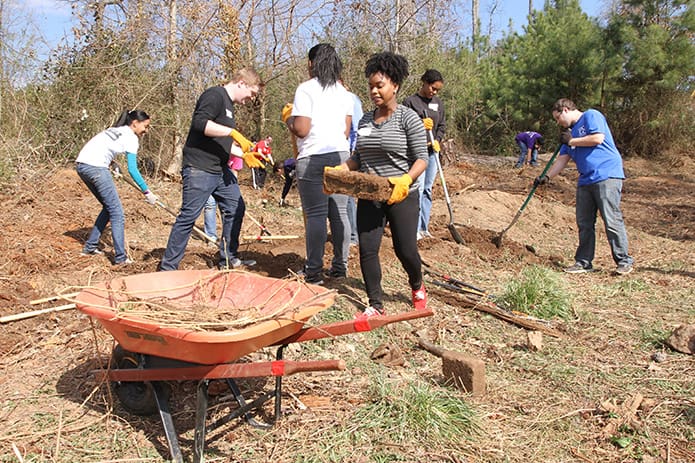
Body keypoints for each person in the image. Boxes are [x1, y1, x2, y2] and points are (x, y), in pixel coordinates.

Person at [330, 51, 429, 316]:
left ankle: (417, 284)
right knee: (367, 249)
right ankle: (375, 303)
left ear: (394, 86)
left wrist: (406, 180)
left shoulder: (408, 118)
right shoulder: (364, 121)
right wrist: (341, 170)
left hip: (402, 194)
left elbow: (422, 159)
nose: (374, 91)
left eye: (380, 85)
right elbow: (359, 157)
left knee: (404, 248)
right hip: (370, 193)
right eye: (371, 86)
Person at [159, 68, 265, 271]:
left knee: (236, 207)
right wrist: (233, 132)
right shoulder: (214, 95)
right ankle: (168, 268)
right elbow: (200, 124)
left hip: (219, 169)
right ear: (241, 83)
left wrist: (245, 154)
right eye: (251, 93)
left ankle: (228, 258)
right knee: (189, 216)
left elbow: (221, 142)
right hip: (200, 167)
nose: (250, 99)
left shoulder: (229, 107)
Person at [534, 98, 634, 275]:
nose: (558, 123)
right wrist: (546, 177)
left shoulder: (591, 116)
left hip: (606, 175)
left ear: (565, 110)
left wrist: (572, 141)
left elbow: (597, 138)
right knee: (584, 222)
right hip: (585, 180)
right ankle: (583, 262)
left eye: (558, 118)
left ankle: (624, 261)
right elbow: (562, 160)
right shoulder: (569, 134)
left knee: (611, 219)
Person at [283, 43, 353, 284]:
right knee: (340, 213)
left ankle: (313, 272)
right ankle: (340, 266)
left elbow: (302, 129)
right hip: (342, 157)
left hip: (313, 157)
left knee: (316, 215)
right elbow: (346, 130)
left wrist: (290, 120)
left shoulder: (306, 90)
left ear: (312, 64)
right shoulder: (345, 93)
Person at [76, 109, 157, 265]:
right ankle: (121, 258)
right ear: (135, 123)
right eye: (145, 127)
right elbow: (133, 170)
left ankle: (90, 246)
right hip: (96, 168)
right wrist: (147, 191)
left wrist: (112, 164)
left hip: (82, 166)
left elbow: (102, 148)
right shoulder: (132, 138)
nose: (146, 131)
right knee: (117, 213)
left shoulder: (115, 130)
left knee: (108, 208)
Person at [402, 69, 445, 240]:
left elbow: (442, 125)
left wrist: (438, 140)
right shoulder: (410, 102)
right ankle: (413, 229)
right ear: (425, 82)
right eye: (433, 88)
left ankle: (423, 227)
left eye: (437, 90)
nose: (434, 92)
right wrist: (419, 124)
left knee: (427, 189)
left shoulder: (438, 103)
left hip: (432, 151)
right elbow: (403, 125)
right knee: (417, 189)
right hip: (416, 153)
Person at [343, 79, 364, 246]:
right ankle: (345, 231)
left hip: (349, 153)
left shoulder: (350, 99)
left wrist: (354, 153)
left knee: (347, 194)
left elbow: (357, 128)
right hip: (335, 151)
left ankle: (353, 236)